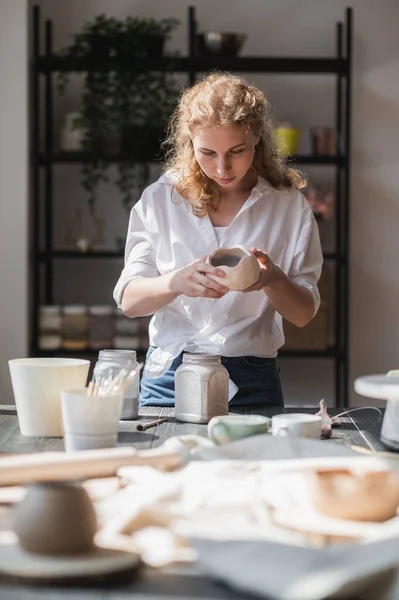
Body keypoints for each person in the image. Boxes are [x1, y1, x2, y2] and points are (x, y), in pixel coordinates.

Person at [113, 72, 323, 408]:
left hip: (253, 377)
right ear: (189, 143)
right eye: (207, 152)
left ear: (256, 136)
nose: (222, 167)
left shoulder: (287, 205)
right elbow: (129, 300)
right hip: (170, 376)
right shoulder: (161, 200)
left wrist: (272, 279)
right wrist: (176, 282)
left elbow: (302, 314)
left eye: (236, 151)